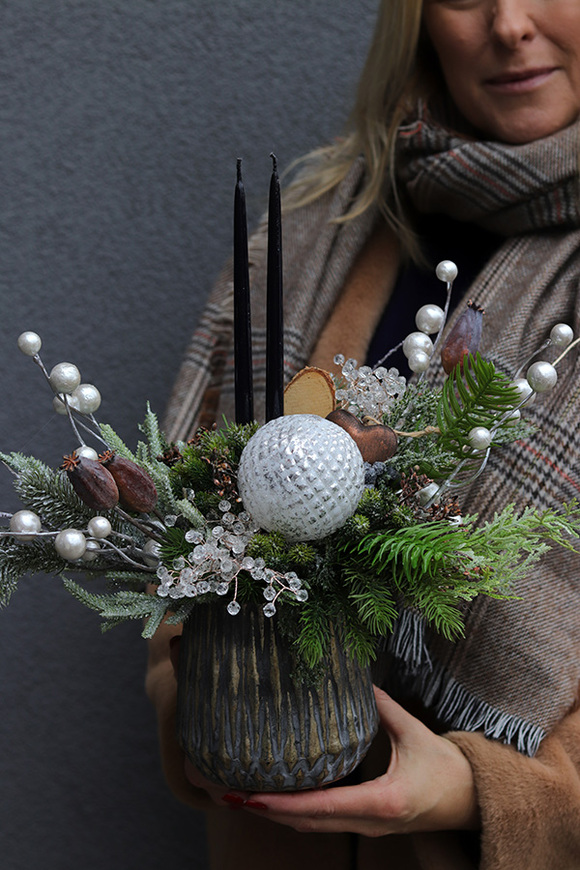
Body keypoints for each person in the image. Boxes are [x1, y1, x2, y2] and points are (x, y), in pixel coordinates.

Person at [146, 1, 580, 867]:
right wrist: (197, 701)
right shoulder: (315, 232)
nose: (508, 24)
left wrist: (479, 790)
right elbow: (183, 524)